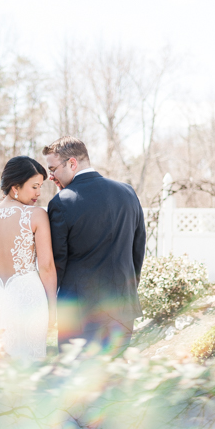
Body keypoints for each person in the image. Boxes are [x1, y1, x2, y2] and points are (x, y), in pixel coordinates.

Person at [43, 136, 145, 355]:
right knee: (115, 379)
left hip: (80, 314)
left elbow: (57, 264)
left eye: (53, 170)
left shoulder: (61, 203)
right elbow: (138, 251)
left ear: (72, 163)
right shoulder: (128, 193)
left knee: (78, 382)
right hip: (122, 307)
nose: (51, 177)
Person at [0, 156, 58, 360]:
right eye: (34, 187)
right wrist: (52, 309)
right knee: (28, 366)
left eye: (40, 186)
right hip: (29, 301)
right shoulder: (37, 215)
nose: (38, 193)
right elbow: (47, 266)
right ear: (15, 187)